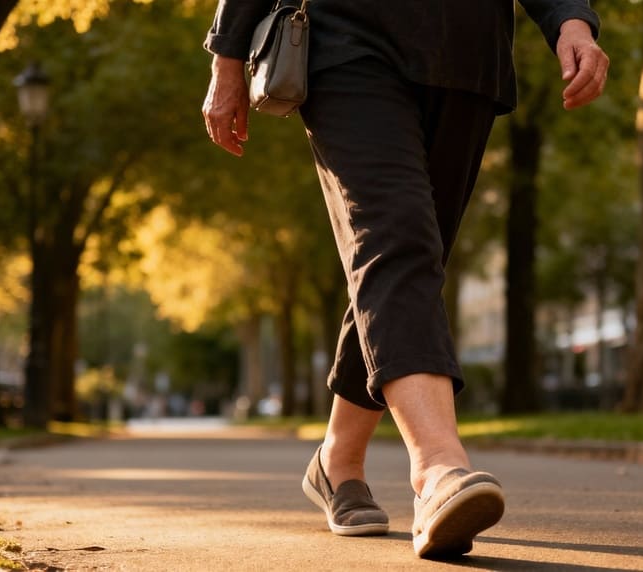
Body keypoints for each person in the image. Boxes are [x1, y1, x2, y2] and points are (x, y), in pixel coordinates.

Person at [202, 0, 609, 559]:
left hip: (467, 58)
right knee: (397, 238)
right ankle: (439, 469)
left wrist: (570, 18)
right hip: (346, 41)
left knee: (410, 263)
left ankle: (337, 459)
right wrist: (227, 54)